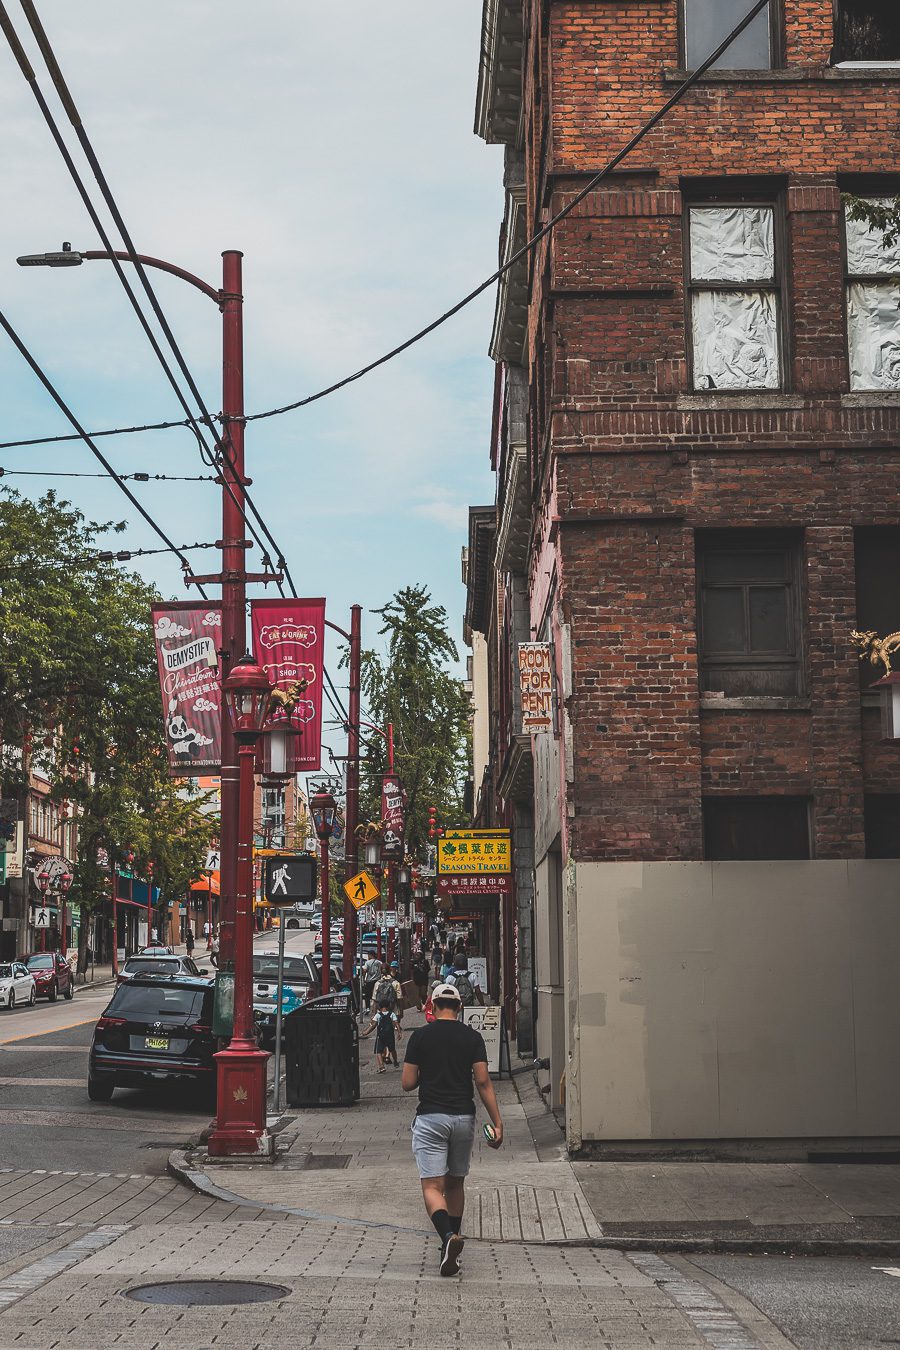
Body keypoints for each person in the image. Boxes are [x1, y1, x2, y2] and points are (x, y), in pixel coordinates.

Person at [402, 982, 503, 1276]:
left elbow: (407, 1083)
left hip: (432, 1118)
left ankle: (447, 1238)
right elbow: (483, 1082)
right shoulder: (472, 1037)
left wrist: (426, 1071)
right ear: (459, 1008)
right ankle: (452, 1249)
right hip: (463, 1118)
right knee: (456, 1183)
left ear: (432, 1007)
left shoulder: (420, 1037)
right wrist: (497, 1122)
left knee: (433, 1187)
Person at [361, 998, 402, 1072]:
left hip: (381, 1036)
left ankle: (381, 1066)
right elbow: (396, 1023)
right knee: (392, 1049)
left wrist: (366, 1032)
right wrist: (399, 1032)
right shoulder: (392, 1014)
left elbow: (373, 1026)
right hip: (390, 1035)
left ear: (379, 1007)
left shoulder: (378, 1015)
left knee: (379, 1051)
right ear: (389, 1006)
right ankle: (395, 1061)